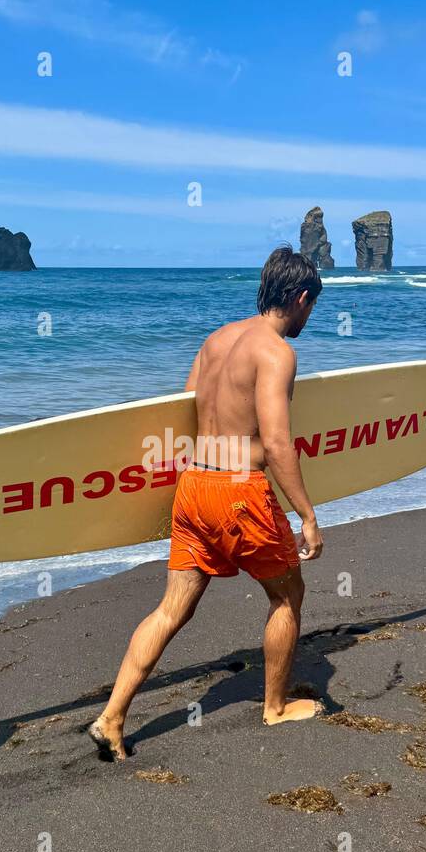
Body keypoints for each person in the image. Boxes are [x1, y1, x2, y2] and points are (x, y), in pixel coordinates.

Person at [89, 246, 324, 761]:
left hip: (195, 485)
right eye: (312, 307)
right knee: (287, 596)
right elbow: (279, 443)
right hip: (241, 492)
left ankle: (111, 717)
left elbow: (182, 415)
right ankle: (276, 706)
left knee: (172, 609)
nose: (310, 317)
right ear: (301, 298)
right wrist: (306, 514)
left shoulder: (215, 340)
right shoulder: (277, 353)